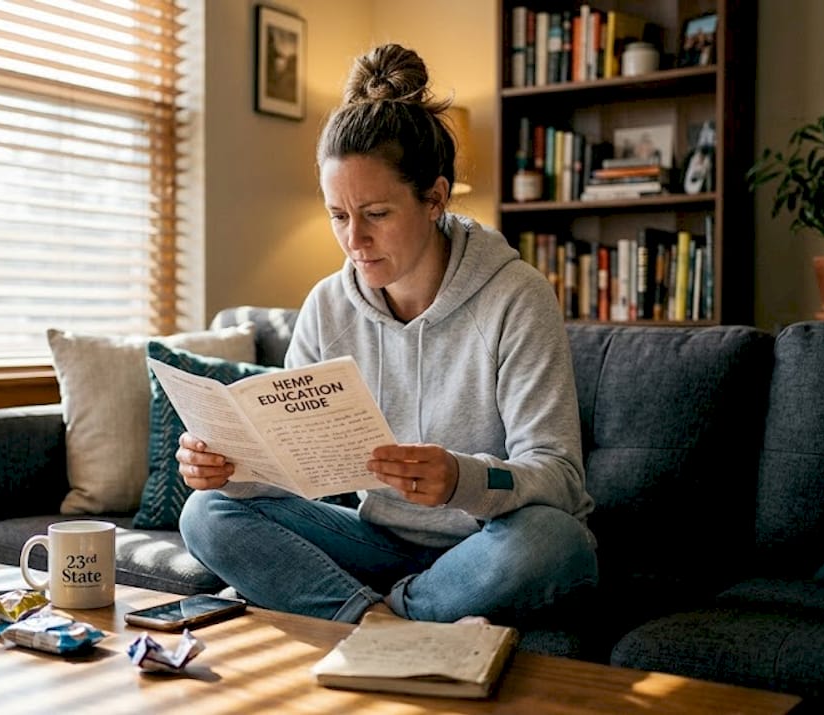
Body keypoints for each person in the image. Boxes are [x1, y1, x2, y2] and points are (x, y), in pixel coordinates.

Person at [177, 44, 597, 625]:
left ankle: (388, 616)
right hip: (376, 543)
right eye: (338, 216)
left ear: (435, 199)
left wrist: (461, 478)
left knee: (554, 541)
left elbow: (560, 478)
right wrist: (231, 467)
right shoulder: (327, 304)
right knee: (206, 511)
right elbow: (288, 468)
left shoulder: (516, 296)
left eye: (375, 213)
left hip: (489, 543)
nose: (354, 240)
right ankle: (378, 624)